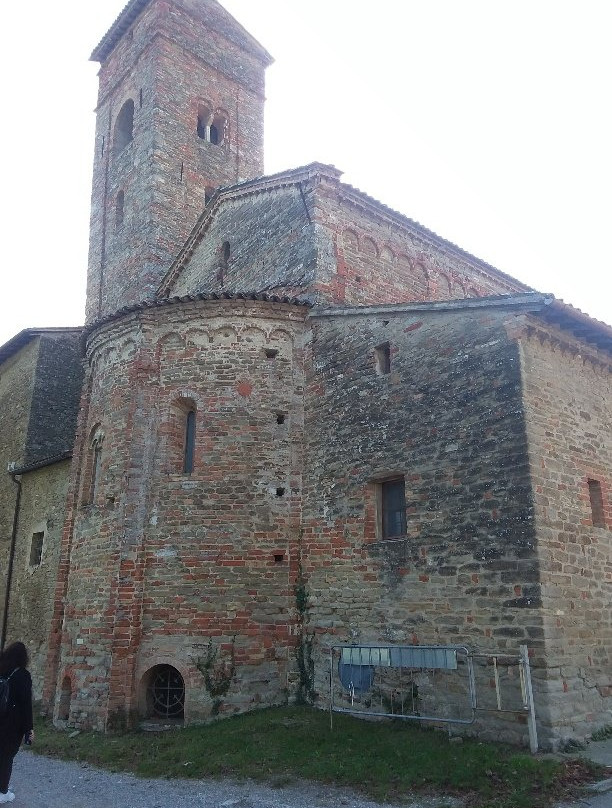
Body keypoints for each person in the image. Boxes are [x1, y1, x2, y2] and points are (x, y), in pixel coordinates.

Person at [0, 642, 33, 804]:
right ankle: (2, 792)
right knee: (6, 757)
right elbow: (26, 704)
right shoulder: (23, 675)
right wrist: (29, 729)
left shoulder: (2, 671)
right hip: (12, 723)